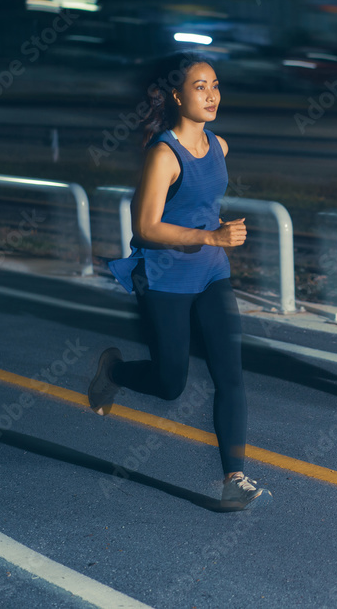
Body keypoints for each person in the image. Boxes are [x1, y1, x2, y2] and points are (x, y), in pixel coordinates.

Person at [88, 52, 271, 509]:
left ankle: (235, 479)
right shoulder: (164, 154)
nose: (211, 95)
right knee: (170, 384)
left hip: (211, 276)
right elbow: (145, 227)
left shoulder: (220, 146)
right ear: (176, 95)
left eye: (214, 85)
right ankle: (113, 371)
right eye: (199, 87)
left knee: (230, 375)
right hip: (167, 281)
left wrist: (217, 235)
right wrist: (211, 235)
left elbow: (199, 207)